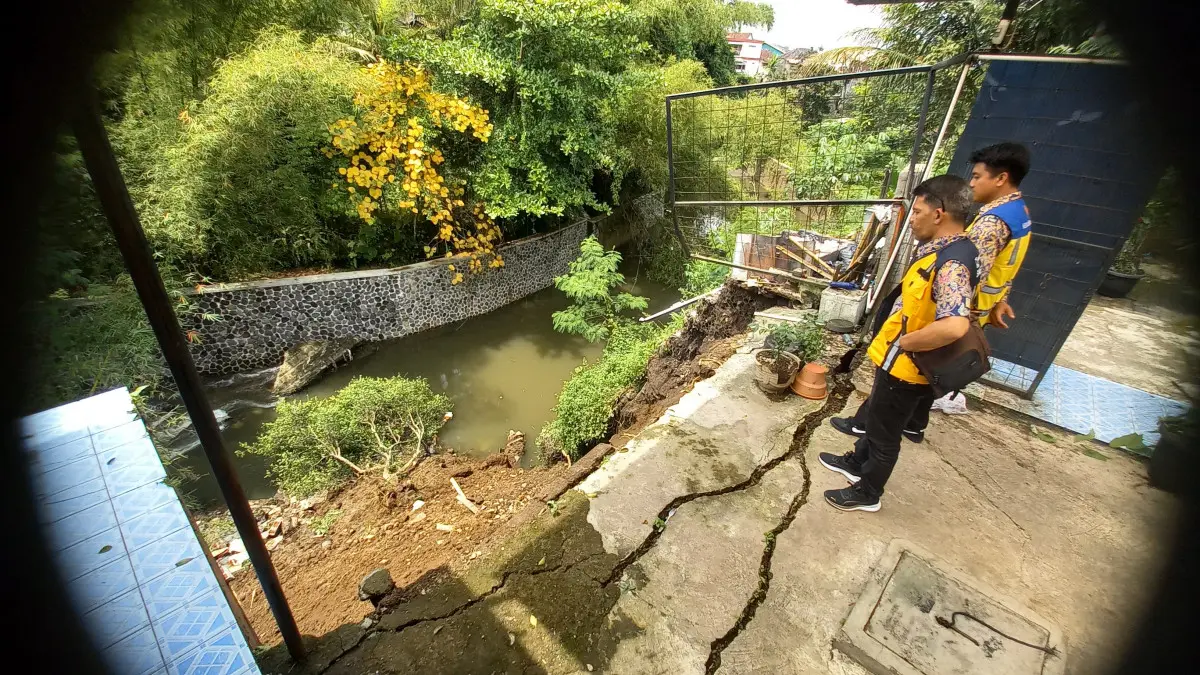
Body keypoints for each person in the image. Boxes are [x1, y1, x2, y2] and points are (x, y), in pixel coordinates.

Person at [827, 142, 1033, 444]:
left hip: (952, 310)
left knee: (901, 368)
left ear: (1001, 178)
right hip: (979, 310)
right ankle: (914, 423)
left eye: (977, 177)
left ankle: (865, 423)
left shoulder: (991, 223)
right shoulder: (1020, 212)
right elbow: (1007, 263)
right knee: (929, 369)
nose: (972, 183)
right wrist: (1000, 299)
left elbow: (971, 272)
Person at [821, 175, 978, 512]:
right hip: (896, 361)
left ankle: (868, 493)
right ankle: (855, 463)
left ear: (939, 213)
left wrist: (908, 341)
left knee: (884, 436)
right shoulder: (943, 251)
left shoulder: (952, 262)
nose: (911, 221)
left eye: (917, 212)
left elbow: (954, 325)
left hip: (909, 367)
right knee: (877, 420)